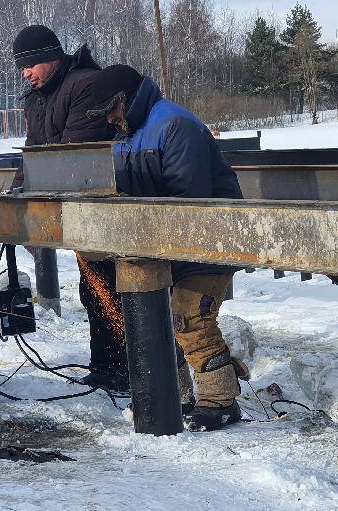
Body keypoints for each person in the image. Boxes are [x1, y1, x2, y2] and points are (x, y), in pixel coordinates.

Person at [86, 64, 248, 431]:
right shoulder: (131, 133)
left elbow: (187, 203)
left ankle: (221, 400)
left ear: (127, 100)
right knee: (159, 320)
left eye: (112, 109)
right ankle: (177, 396)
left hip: (207, 241)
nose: (110, 119)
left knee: (189, 317)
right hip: (164, 242)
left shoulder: (174, 126)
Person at [11, 25, 127, 393]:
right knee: (92, 287)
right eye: (21, 68)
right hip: (74, 206)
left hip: (104, 203)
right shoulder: (37, 97)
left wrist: (36, 196)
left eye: (30, 65)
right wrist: (16, 195)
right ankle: (107, 364)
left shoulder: (84, 84)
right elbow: (34, 151)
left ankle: (130, 364)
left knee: (114, 285)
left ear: (52, 57)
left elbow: (72, 151)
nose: (25, 73)